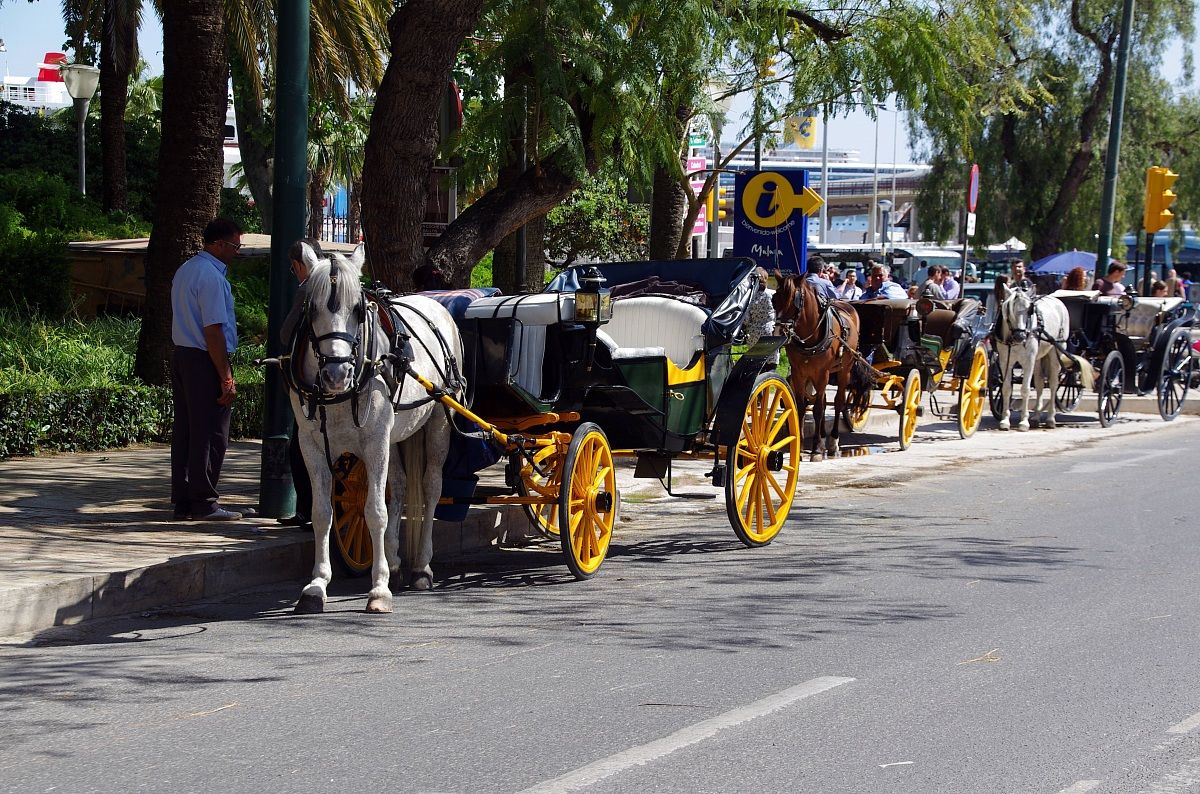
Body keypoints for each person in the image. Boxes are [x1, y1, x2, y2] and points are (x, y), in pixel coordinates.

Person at [170, 218, 243, 521]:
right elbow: (213, 331)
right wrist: (225, 376)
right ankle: (205, 502)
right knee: (212, 432)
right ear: (217, 245)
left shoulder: (186, 270)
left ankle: (184, 500)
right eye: (234, 246)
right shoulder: (212, 277)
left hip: (183, 355)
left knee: (186, 428)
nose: (237, 252)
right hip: (204, 357)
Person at [278, 238, 325, 531]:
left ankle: (307, 511)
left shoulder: (307, 288)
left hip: (314, 387)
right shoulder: (337, 282)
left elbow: (286, 333)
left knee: (300, 449)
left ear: (297, 265)